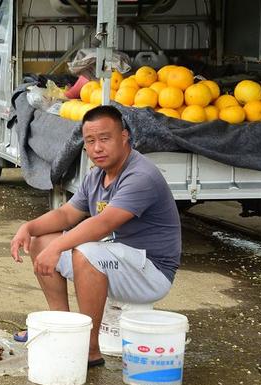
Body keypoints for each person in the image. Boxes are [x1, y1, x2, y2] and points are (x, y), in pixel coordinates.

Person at [10, 105, 181, 367]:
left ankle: (89, 349)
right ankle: (62, 325)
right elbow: (67, 214)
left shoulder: (141, 175)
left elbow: (102, 224)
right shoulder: (97, 175)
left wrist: (59, 249)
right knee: (42, 240)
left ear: (124, 137)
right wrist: (29, 228)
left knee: (87, 253)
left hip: (151, 272)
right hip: (119, 261)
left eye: (105, 138)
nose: (97, 148)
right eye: (90, 141)